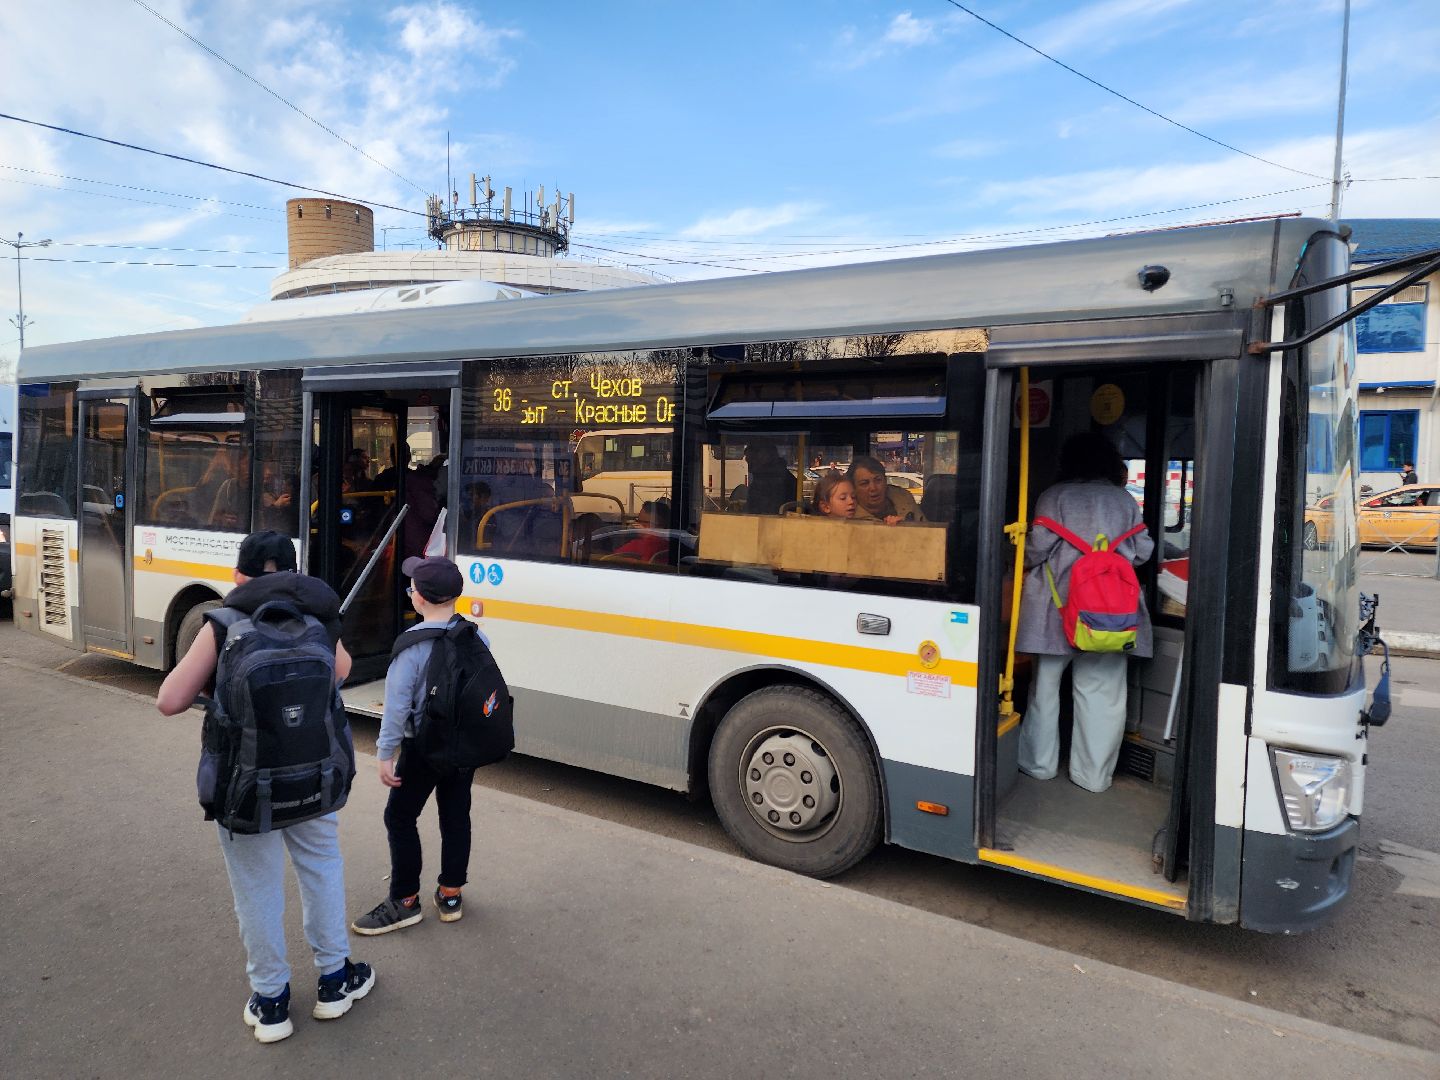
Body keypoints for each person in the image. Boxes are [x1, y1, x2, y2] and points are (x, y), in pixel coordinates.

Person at [155, 530, 374, 1044]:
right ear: (293, 572)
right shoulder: (318, 616)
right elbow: (340, 672)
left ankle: (271, 1001)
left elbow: (169, 700)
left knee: (256, 889)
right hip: (316, 776)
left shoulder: (224, 623)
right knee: (321, 871)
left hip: (245, 785)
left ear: (238, 575)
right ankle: (335, 981)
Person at [1015, 433, 1155, 793]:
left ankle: (1039, 765)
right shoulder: (1123, 501)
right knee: (1101, 693)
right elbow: (1142, 552)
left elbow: (1033, 552)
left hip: (1055, 611)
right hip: (1109, 614)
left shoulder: (1053, 497)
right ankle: (1093, 776)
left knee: (1044, 691)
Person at [353, 556, 482, 935]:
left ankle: (405, 900)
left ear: (419, 599)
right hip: (463, 748)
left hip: (423, 749)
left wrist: (384, 754)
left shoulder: (411, 647)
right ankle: (451, 893)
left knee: (400, 817)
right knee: (456, 815)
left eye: (412, 587)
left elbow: (396, 707)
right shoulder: (476, 635)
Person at [848, 455, 924, 524]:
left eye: (878, 480)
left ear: (885, 481)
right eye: (864, 483)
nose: (873, 488)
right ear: (853, 488)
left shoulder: (905, 499)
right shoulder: (848, 516)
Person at [743, 442, 798, 514]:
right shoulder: (762, 479)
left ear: (765, 457)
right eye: (748, 462)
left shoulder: (776, 481)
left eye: (752, 461)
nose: (749, 468)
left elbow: (767, 512)